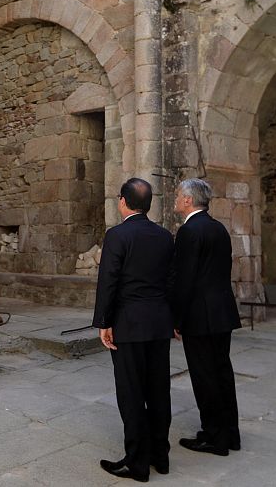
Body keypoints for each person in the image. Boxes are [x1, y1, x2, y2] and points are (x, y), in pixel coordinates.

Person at [93, 178, 175, 482]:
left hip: (128, 323)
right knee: (158, 391)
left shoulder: (117, 235)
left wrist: (104, 322)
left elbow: (109, 281)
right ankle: (160, 456)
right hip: (158, 323)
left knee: (131, 393)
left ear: (123, 202)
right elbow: (171, 281)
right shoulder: (165, 236)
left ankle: (137, 463)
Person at [171, 178, 241, 456]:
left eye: (178, 195)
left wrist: (176, 319)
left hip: (200, 317)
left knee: (204, 377)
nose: (176, 199)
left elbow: (184, 280)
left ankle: (214, 437)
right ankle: (230, 434)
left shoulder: (189, 231)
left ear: (188, 200)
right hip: (222, 313)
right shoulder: (218, 228)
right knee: (222, 374)